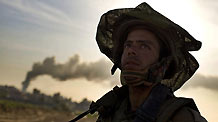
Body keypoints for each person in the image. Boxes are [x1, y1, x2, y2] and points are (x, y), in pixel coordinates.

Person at [93, 2, 207, 122]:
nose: (131, 51)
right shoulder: (109, 111)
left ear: (164, 63)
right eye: (128, 45)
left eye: (144, 46)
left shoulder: (182, 117)